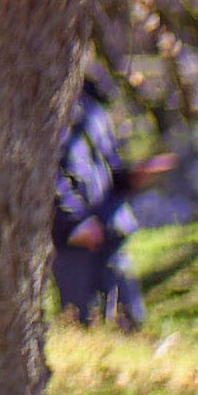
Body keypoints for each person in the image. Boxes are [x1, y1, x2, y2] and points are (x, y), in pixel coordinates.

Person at [51, 71, 144, 333]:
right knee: (81, 326)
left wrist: (133, 177)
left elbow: (109, 166)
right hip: (75, 242)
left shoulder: (94, 109)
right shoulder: (46, 108)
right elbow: (47, 176)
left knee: (129, 324)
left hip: (110, 232)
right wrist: (73, 224)